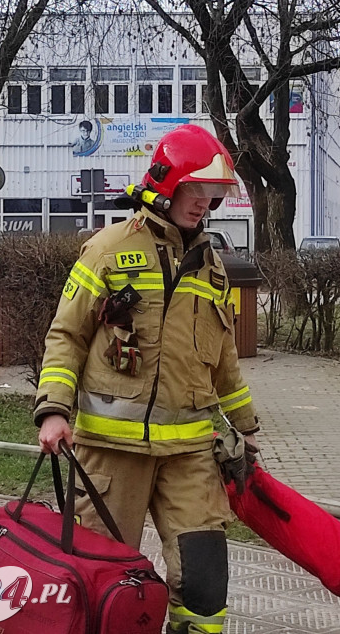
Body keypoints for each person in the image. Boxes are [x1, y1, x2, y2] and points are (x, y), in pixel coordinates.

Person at [36, 124, 259, 634]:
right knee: (99, 581)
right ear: (166, 184)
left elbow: (224, 363)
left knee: (204, 584)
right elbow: (66, 335)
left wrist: (246, 432)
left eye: (211, 194)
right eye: (194, 190)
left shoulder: (213, 270)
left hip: (190, 457)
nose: (202, 203)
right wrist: (53, 409)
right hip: (112, 458)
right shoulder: (109, 249)